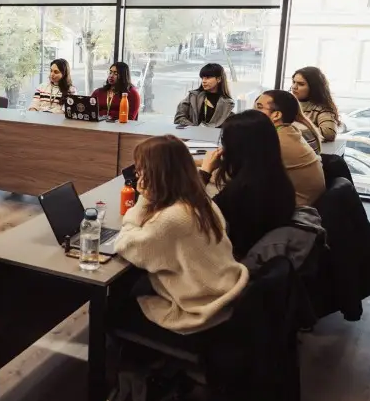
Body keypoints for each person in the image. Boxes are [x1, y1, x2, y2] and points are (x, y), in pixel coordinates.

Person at [113, 135, 249, 336]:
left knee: (114, 307)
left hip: (201, 313)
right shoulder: (200, 200)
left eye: (141, 167)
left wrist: (143, 200)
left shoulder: (172, 218)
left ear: (156, 173)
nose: (137, 172)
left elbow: (124, 245)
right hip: (224, 294)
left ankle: (140, 357)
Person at [198, 111, 297, 259]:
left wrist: (205, 172)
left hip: (235, 260)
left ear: (236, 148)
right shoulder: (277, 177)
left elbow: (192, 214)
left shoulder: (241, 190)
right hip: (264, 255)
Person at [255, 90, 326, 207]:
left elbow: (237, 173)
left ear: (276, 115)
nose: (253, 112)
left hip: (294, 208)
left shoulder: (275, 143)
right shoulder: (289, 131)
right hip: (304, 200)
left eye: (259, 108)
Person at [174, 63, 234, 128]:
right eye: (202, 78)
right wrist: (196, 129)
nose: (204, 81)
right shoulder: (193, 97)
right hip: (191, 136)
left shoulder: (227, 103)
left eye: (208, 77)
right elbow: (179, 118)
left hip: (214, 137)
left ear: (219, 79)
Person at [291, 66, 340, 143]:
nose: (294, 87)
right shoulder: (287, 103)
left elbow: (329, 134)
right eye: (294, 82)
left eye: (301, 84)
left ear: (313, 87)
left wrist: (291, 130)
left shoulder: (322, 109)